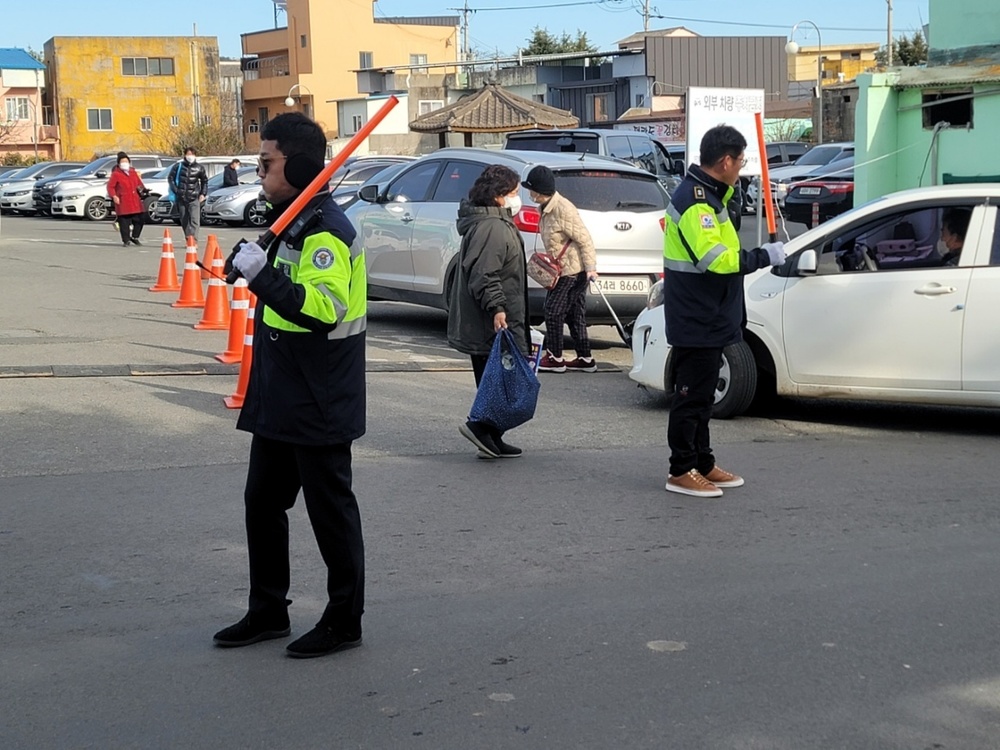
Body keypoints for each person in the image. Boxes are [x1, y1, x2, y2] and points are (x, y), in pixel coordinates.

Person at [213, 112, 368, 659]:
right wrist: (256, 266)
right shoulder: (291, 217)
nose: (259, 172)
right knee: (262, 501)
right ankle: (268, 610)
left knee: (330, 512)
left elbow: (323, 310)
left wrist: (264, 276)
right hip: (282, 388)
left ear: (299, 167)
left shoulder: (326, 229)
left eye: (267, 163)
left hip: (321, 393)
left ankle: (344, 619)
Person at [662, 125, 786, 498]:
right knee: (692, 397)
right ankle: (681, 469)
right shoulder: (697, 201)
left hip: (710, 313)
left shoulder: (714, 195)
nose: (742, 167)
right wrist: (764, 256)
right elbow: (715, 260)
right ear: (726, 160)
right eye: (741, 160)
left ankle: (702, 461)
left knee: (702, 398)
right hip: (697, 315)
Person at [447, 164, 531, 459]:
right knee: (496, 379)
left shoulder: (493, 223)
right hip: (491, 320)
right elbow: (484, 274)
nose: (517, 198)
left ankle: (491, 434)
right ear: (499, 196)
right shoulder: (492, 227)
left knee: (497, 379)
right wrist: (497, 307)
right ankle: (480, 427)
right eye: (514, 192)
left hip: (495, 317)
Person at [521, 165, 600, 373]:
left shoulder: (563, 209)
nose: (529, 193)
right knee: (575, 314)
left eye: (531, 189)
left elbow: (585, 239)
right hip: (567, 268)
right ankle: (585, 358)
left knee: (553, 310)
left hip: (572, 270)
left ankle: (555, 357)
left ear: (539, 190)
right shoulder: (546, 207)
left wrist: (591, 268)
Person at [106, 151, 147, 247]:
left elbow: (139, 184)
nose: (124, 163)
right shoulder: (116, 174)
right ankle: (126, 240)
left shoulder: (133, 172)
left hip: (135, 200)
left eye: (126, 161)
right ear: (119, 163)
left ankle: (135, 237)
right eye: (122, 161)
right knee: (124, 222)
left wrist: (144, 191)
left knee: (140, 220)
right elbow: (110, 187)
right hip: (123, 200)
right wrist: (114, 196)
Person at [168, 146, 208, 243]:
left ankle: (193, 240)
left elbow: (204, 181)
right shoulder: (178, 166)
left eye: (192, 154)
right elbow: (170, 178)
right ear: (185, 155)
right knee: (184, 219)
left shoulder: (199, 168)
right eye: (188, 154)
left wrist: (203, 193)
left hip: (194, 197)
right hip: (181, 197)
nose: (190, 156)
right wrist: (176, 190)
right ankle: (188, 238)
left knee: (194, 220)